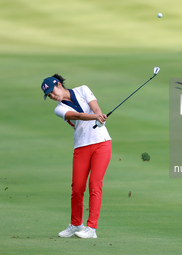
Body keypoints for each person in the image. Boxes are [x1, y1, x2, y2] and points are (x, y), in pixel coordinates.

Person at [41, 74, 112, 239]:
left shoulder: (83, 90)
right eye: (49, 95)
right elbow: (77, 116)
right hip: (81, 146)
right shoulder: (59, 109)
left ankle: (91, 229)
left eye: (52, 91)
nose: (52, 96)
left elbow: (95, 106)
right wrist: (96, 117)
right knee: (78, 188)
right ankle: (75, 225)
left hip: (101, 143)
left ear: (59, 84)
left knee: (95, 185)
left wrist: (99, 115)